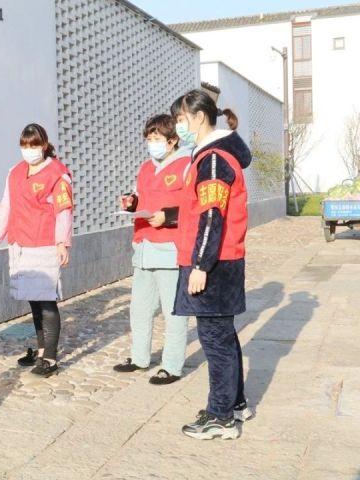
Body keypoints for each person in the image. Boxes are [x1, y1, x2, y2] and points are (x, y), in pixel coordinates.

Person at [170, 89, 254, 440]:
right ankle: (234, 404)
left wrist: (200, 266)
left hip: (214, 264)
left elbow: (211, 216)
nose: (178, 127)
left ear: (198, 116)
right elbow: (199, 209)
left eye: (179, 119)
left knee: (215, 340)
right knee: (224, 336)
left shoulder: (215, 159)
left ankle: (220, 416)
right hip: (222, 260)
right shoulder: (210, 156)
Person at [0, 123, 73, 377]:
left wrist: (61, 242)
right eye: (25, 145)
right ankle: (42, 350)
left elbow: (63, 210)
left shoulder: (57, 174)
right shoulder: (15, 172)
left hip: (44, 244)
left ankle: (52, 358)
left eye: (34, 145)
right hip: (21, 243)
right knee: (34, 301)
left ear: (44, 145)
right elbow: (5, 207)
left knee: (46, 301)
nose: (29, 150)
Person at [113, 114, 191, 385]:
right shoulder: (146, 167)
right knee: (140, 309)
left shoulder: (186, 165)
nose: (152, 144)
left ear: (172, 141)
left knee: (173, 312)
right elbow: (141, 196)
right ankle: (139, 358)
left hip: (170, 249)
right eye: (149, 139)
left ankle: (171, 365)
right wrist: (131, 203)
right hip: (144, 246)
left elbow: (194, 208)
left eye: (157, 139)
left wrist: (168, 217)